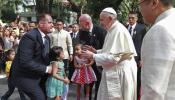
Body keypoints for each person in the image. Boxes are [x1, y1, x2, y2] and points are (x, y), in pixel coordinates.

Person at [82, 7, 137, 100]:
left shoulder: (118, 30)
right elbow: (110, 51)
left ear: (110, 19)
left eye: (102, 20)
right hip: (114, 71)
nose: (100, 22)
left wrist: (93, 56)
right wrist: (96, 51)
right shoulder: (112, 29)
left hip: (120, 73)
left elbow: (114, 58)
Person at [11, 13, 53, 100]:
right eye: (50, 22)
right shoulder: (29, 37)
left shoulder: (47, 38)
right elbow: (25, 62)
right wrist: (47, 69)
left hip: (38, 74)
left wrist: (56, 63)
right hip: (24, 76)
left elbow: (44, 57)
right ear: (41, 24)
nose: (52, 25)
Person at [139, 0, 175, 100]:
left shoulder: (160, 30)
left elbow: (154, 91)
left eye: (140, 4)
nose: (140, 10)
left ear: (154, 3)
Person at [78, 14, 106, 100]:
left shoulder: (101, 31)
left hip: (99, 65)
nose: (80, 27)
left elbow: (106, 48)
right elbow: (81, 45)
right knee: (87, 86)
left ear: (87, 23)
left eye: (81, 24)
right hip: (88, 65)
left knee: (99, 86)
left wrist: (95, 51)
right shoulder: (81, 32)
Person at [127, 11, 147, 99]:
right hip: (126, 58)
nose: (130, 20)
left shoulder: (142, 28)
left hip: (137, 59)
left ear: (136, 19)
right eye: (129, 18)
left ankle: (136, 97)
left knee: (137, 79)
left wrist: (142, 58)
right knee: (127, 79)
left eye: (132, 18)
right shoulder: (124, 28)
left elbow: (144, 44)